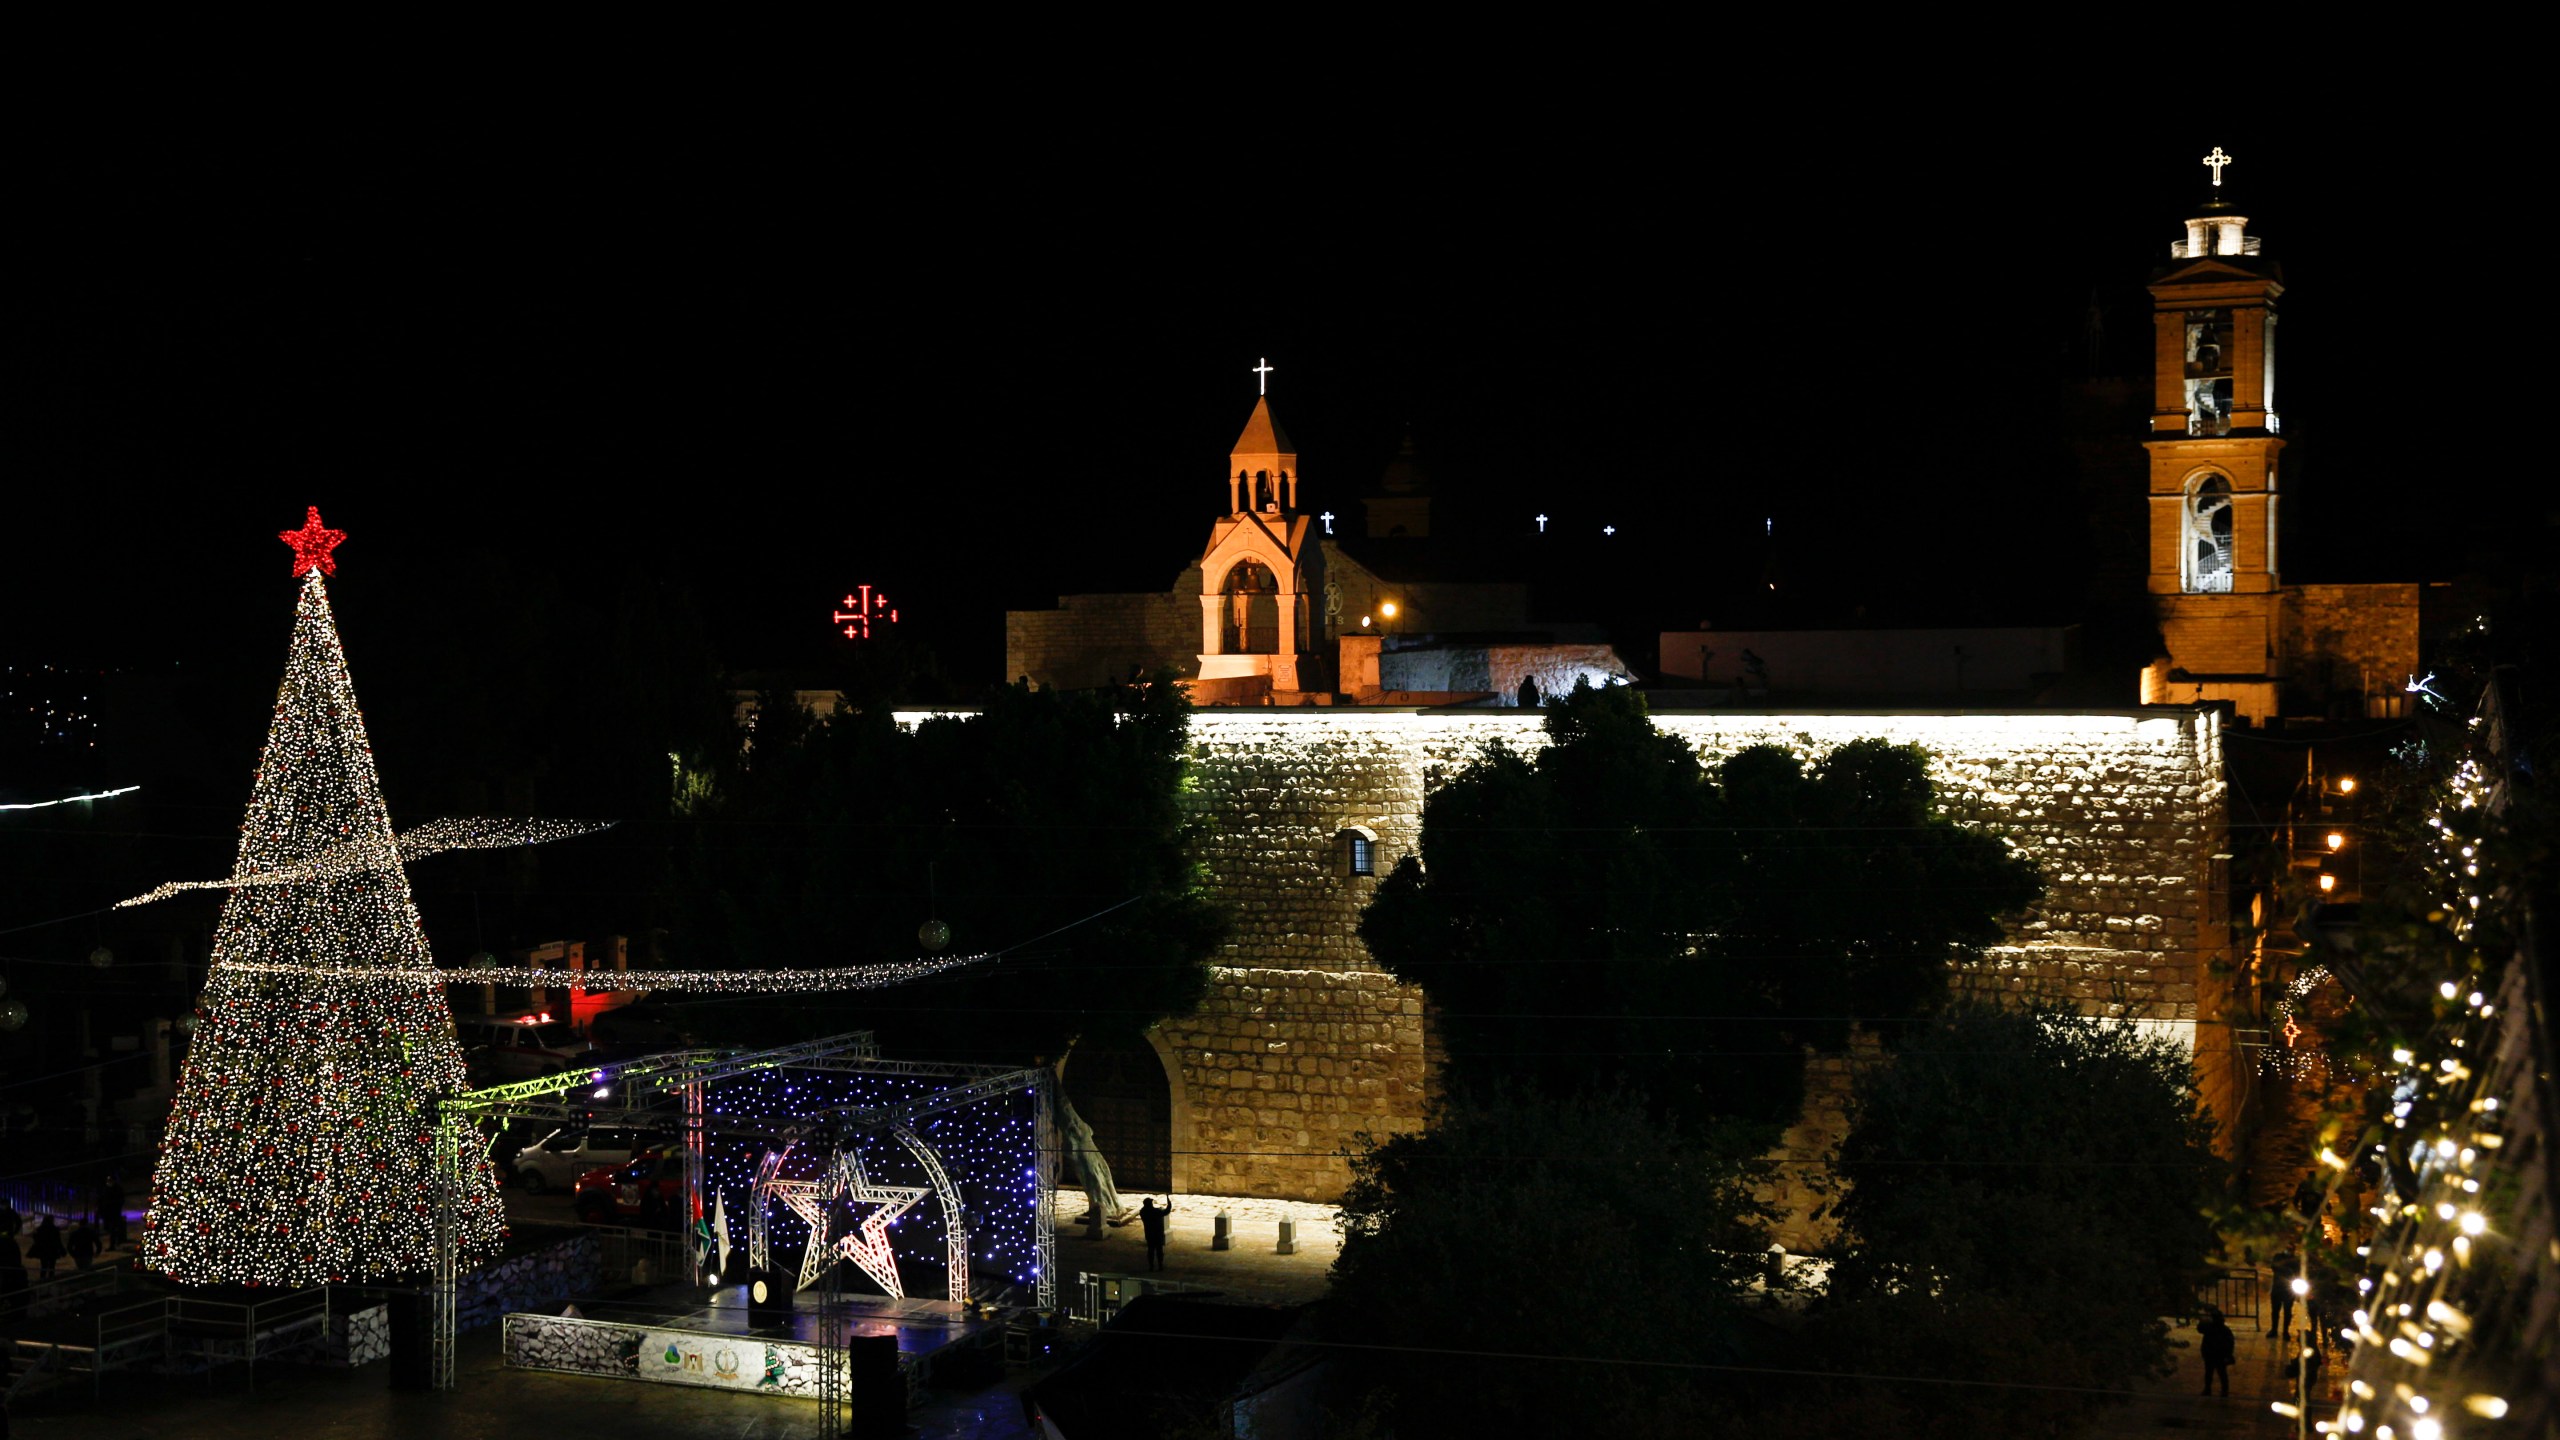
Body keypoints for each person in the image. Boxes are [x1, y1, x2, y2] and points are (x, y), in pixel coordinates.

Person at [2197, 1306, 2235, 1396]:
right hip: (2219, 1355)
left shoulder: (2209, 1327)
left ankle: (2208, 1389)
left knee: (2210, 1373)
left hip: (2211, 1354)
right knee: (2221, 1374)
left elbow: (2200, 1328)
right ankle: (2223, 1391)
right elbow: (2230, 1343)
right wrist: (2228, 1354)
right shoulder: (2225, 1330)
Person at [2268, 1249, 2299, 1339]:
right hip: (2278, 1287)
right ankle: (2274, 1330)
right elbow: (2274, 1266)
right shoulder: (2278, 1256)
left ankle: (2285, 1331)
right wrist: (2288, 1270)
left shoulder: (2294, 1259)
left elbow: (2297, 1271)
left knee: (2287, 1311)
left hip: (2288, 1288)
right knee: (2275, 1310)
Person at [1137, 1196, 1171, 1272]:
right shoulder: (1156, 1212)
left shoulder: (1143, 1212)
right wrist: (1169, 1204)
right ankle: (1160, 1266)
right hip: (1157, 1234)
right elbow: (1166, 1211)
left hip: (1149, 1234)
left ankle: (1151, 1266)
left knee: (1150, 1251)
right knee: (1159, 1251)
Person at [96, 1173, 127, 1249]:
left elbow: (120, 1200)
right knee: (109, 1228)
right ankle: (116, 1241)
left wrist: (116, 1208)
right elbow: (101, 1199)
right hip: (106, 1212)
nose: (109, 1181)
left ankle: (113, 1244)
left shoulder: (117, 1189)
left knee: (113, 1228)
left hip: (114, 1212)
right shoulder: (105, 1189)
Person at [27, 1217, 63, 1281]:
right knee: (52, 1265)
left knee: (44, 1265)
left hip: (43, 1249)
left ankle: (42, 1277)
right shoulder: (54, 1229)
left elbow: (36, 1239)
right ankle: (51, 1277)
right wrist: (61, 1249)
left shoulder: (40, 1229)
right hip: (52, 1249)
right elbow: (58, 1240)